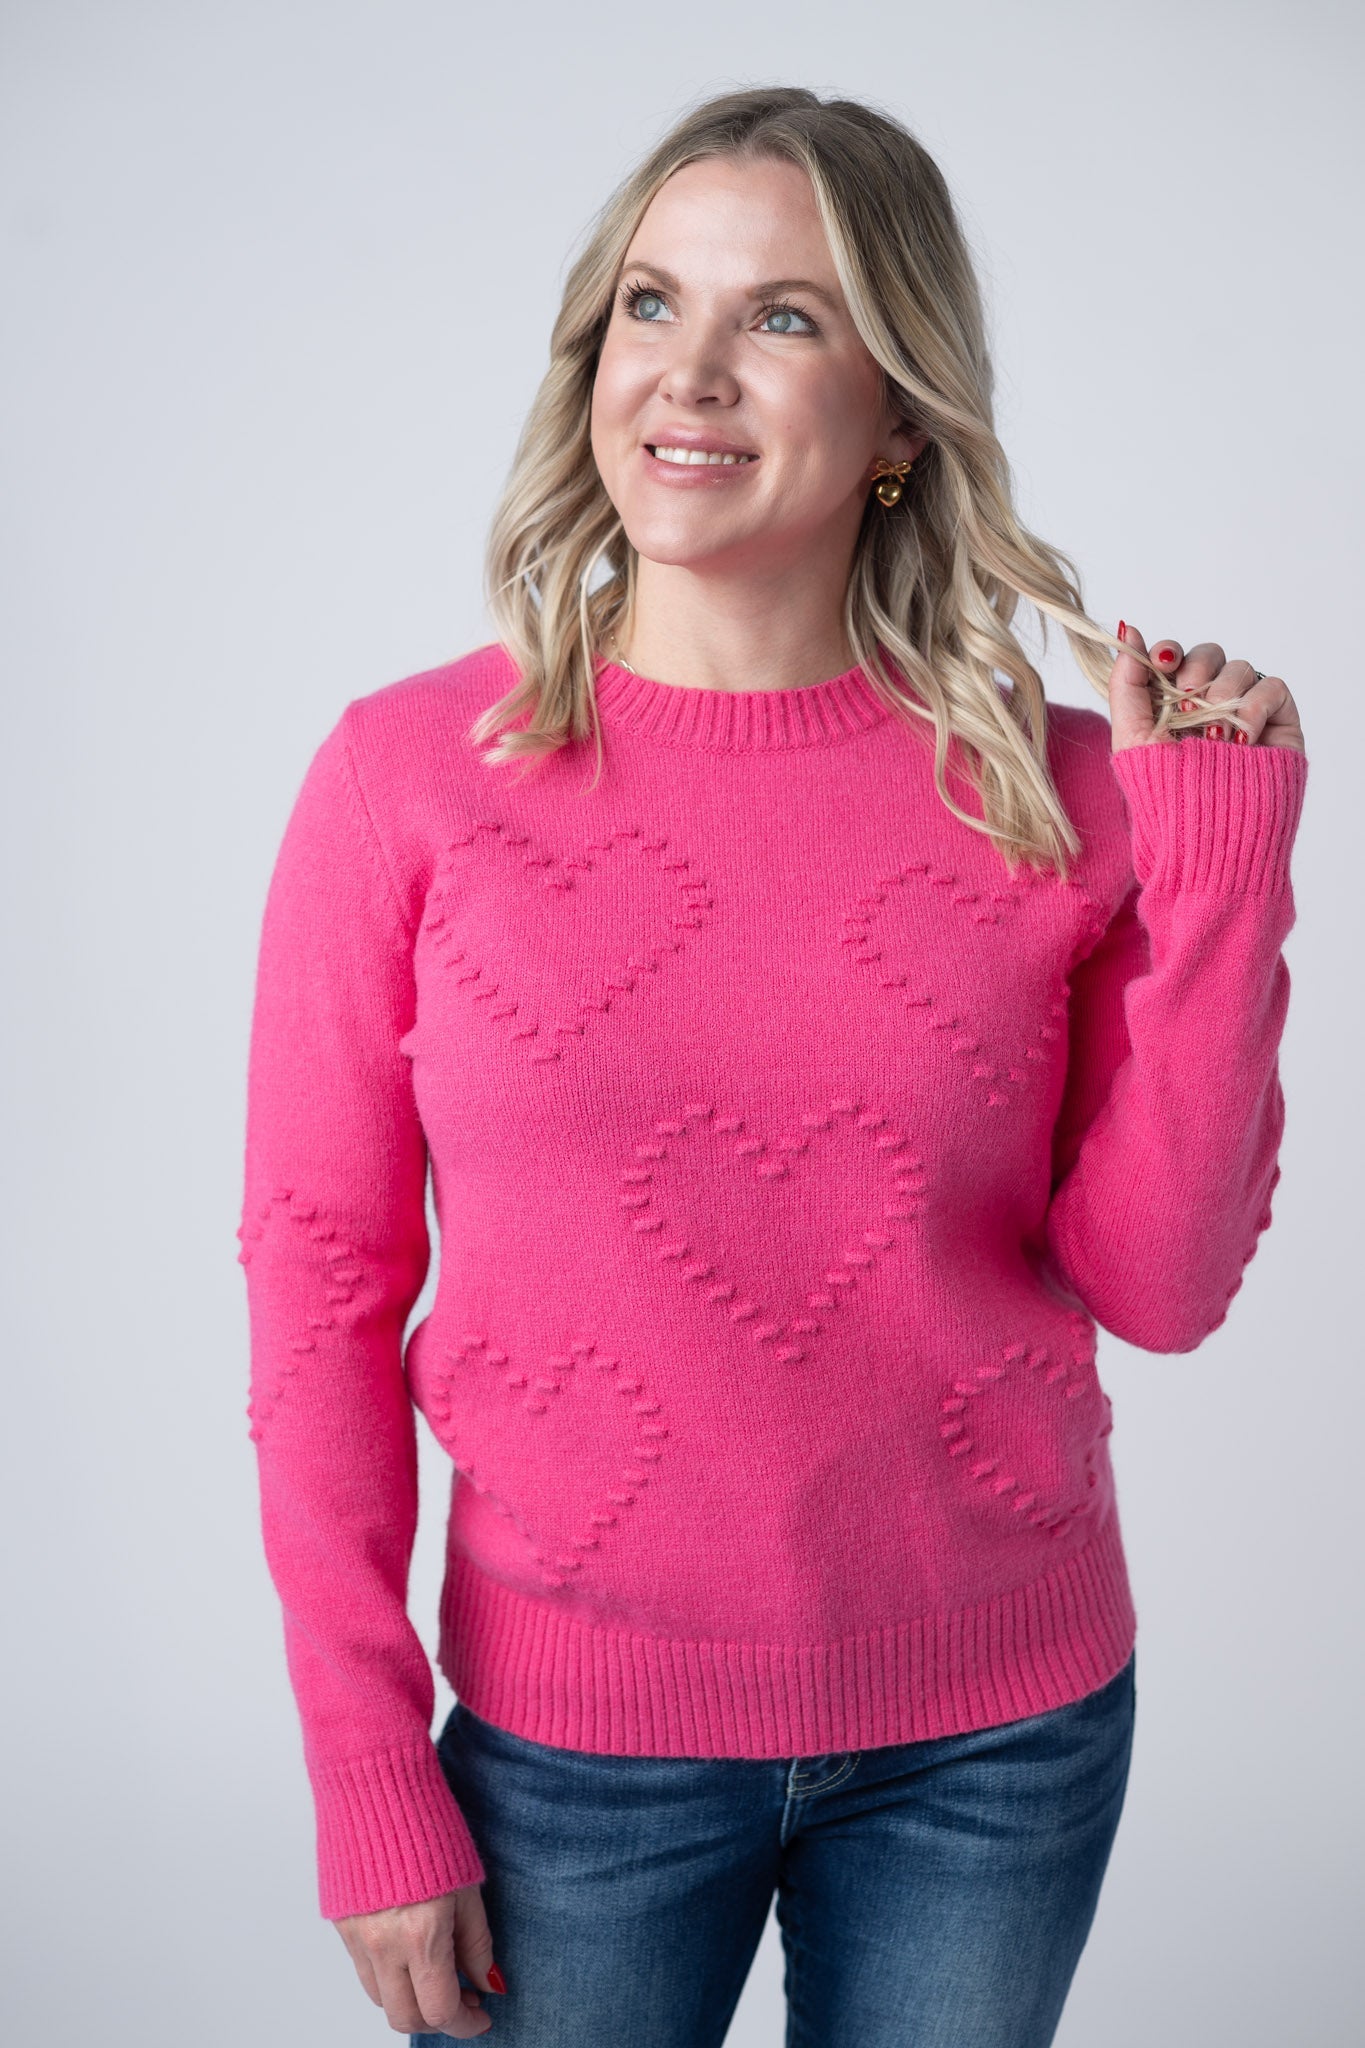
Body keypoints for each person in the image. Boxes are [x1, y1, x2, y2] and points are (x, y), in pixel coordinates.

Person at [235, 85, 1308, 2047]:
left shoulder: (1066, 795)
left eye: (783, 318)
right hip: (570, 1751)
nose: (689, 372)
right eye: (650, 304)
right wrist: (367, 1763)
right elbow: (318, 1284)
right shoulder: (406, 782)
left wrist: (1220, 858)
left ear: (900, 418)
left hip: (996, 1738)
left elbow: (1155, 1288)